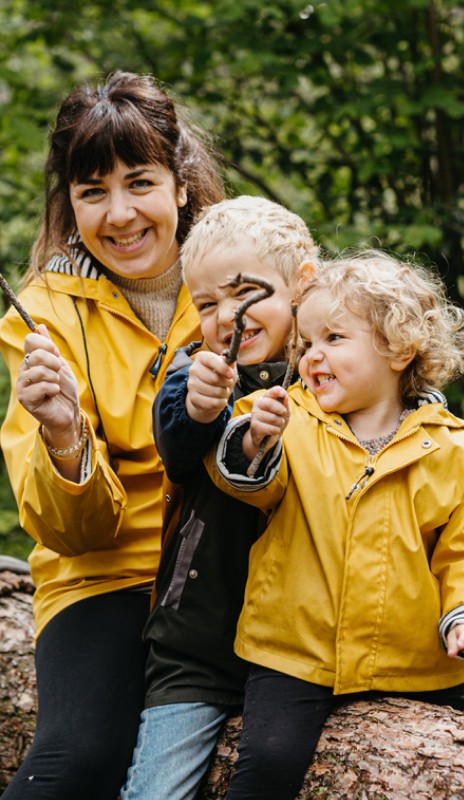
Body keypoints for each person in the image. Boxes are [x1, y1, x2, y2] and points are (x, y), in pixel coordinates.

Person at [0, 71, 224, 798]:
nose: (120, 214)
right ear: (69, 203)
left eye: (139, 182)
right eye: (93, 191)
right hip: (106, 577)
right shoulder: (42, 316)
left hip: (233, 572)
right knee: (79, 759)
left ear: (181, 184)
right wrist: (62, 433)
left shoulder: (244, 279)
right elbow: (74, 533)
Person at [205, 252, 464, 798]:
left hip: (415, 663)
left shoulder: (459, 453)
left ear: (400, 349)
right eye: (306, 343)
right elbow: (243, 479)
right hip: (293, 654)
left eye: (334, 338)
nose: (312, 357)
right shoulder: (289, 418)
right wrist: (255, 437)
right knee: (269, 762)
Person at [120, 196, 318, 799]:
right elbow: (177, 443)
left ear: (303, 286)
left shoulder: (334, 371)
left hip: (298, 646)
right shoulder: (197, 370)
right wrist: (201, 406)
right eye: (207, 304)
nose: (226, 316)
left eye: (245, 293)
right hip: (200, 644)